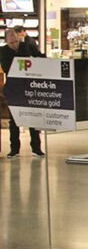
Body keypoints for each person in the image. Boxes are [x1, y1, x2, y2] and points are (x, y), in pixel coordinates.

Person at [0, 28, 45, 157]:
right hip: (14, 88)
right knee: (14, 120)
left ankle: (36, 148)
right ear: (7, 41)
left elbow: (39, 57)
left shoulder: (27, 46)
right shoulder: (3, 51)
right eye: (11, 42)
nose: (15, 44)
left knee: (33, 118)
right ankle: (14, 149)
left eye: (16, 41)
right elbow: (6, 67)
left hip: (30, 86)